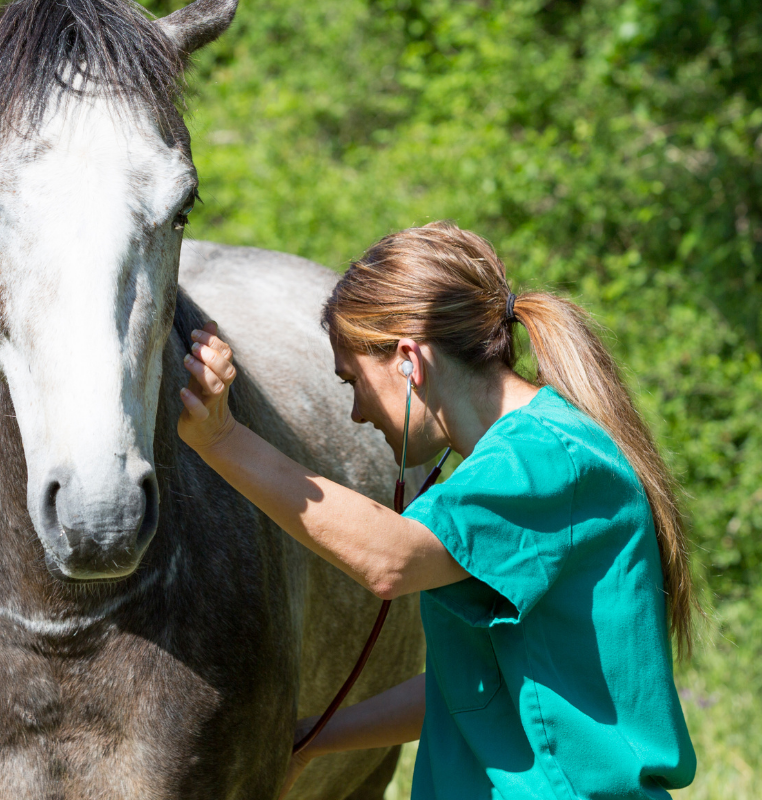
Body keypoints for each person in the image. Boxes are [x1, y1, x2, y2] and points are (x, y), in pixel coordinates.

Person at [176, 221, 697, 800]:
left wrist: (220, 439)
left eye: (353, 381)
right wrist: (312, 739)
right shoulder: (521, 461)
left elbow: (390, 561)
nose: (355, 413)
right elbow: (469, 684)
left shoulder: (544, 460)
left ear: (408, 360)